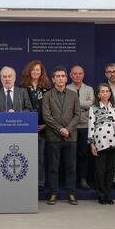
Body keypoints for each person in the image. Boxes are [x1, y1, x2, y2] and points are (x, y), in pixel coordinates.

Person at [42, 66, 81, 205]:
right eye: (57, 76)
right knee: (53, 167)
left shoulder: (74, 94)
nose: (60, 78)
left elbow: (78, 114)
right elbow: (46, 116)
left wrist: (68, 129)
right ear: (53, 79)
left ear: (66, 78)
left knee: (71, 167)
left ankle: (71, 193)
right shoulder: (47, 95)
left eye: (62, 76)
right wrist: (60, 129)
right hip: (53, 137)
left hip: (71, 137)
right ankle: (53, 193)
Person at [88, 83, 115, 205]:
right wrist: (92, 143)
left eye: (107, 91)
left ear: (110, 94)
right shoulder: (93, 108)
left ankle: (108, 195)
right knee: (100, 171)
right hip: (100, 143)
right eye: (102, 91)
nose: (105, 93)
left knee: (111, 171)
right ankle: (101, 195)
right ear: (98, 94)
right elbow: (91, 126)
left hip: (114, 142)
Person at [20, 60, 50, 192]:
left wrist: (46, 125)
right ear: (29, 71)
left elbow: (50, 108)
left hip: (42, 127)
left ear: (41, 72)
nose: (35, 72)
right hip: (26, 127)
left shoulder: (47, 88)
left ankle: (40, 182)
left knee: (40, 156)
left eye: (38, 70)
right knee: (26, 155)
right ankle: (26, 179)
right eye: (33, 69)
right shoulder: (21, 88)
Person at [67, 65, 94, 190]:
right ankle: (70, 180)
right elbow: (67, 107)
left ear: (83, 75)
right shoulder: (66, 88)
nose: (77, 75)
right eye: (75, 73)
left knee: (83, 154)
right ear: (70, 75)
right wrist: (83, 105)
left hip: (84, 126)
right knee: (70, 154)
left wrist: (75, 103)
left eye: (80, 73)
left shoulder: (89, 89)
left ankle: (82, 179)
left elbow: (91, 104)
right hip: (70, 126)